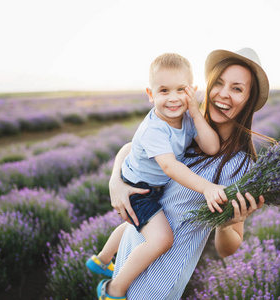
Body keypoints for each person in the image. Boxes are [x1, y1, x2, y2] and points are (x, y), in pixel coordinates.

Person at [99, 47, 269, 300]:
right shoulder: (188, 127)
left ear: (249, 100)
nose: (223, 93)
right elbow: (133, 147)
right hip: (133, 250)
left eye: (237, 88)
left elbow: (227, 248)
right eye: (219, 83)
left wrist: (227, 221)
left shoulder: (240, 164)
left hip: (161, 275)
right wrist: (117, 182)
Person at [86, 52, 228, 299]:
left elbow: (212, 147)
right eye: (164, 91)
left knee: (135, 227)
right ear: (150, 94)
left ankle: (102, 259)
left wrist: (196, 113)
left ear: (192, 91)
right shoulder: (154, 129)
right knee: (161, 239)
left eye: (180, 90)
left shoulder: (186, 118)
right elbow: (171, 167)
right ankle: (113, 289)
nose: (173, 98)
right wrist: (206, 187)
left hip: (151, 186)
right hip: (138, 189)